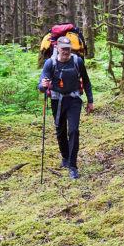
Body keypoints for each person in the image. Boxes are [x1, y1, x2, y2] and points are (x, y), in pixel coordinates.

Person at [37, 35, 93, 179]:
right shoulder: (50, 63)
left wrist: (90, 100)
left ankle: (73, 166)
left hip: (74, 99)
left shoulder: (77, 61)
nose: (66, 52)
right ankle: (65, 158)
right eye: (63, 49)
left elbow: (86, 81)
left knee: (73, 130)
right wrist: (42, 86)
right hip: (57, 100)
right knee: (60, 130)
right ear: (57, 48)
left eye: (68, 49)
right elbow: (41, 86)